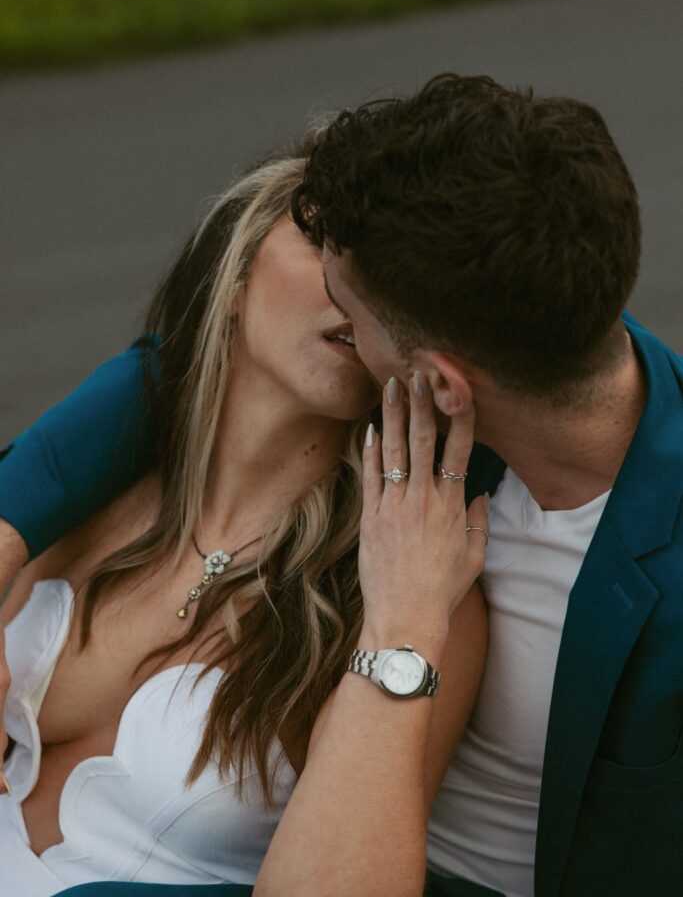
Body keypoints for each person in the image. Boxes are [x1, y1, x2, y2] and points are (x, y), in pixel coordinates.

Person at [2, 71, 680, 897]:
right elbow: (172, 361)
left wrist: (402, 626)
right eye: (312, 248)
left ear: (438, 383)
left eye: (349, 304)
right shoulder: (511, 311)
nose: (339, 314)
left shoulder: (433, 523)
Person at [0, 133, 489, 896]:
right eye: (323, 238)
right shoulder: (81, 491)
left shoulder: (415, 584)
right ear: (231, 273)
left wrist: (403, 626)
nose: (351, 280)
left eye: (386, 269)